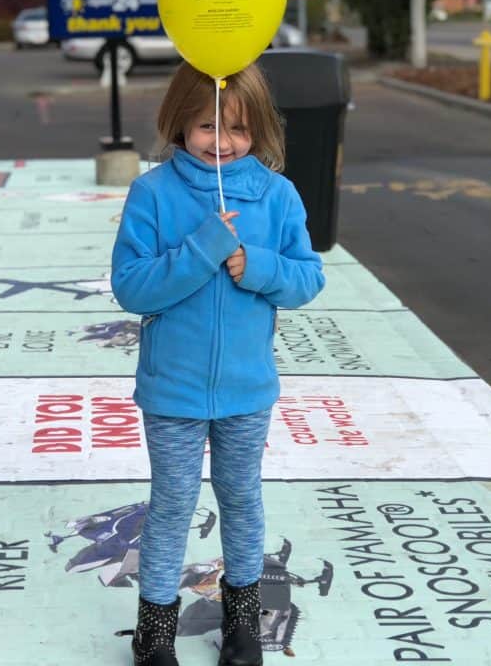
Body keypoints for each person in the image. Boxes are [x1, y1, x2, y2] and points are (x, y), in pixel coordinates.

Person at [111, 61, 326, 665]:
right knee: (173, 504)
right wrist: (202, 249)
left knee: (241, 500)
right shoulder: (152, 193)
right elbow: (132, 286)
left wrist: (255, 265)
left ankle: (241, 622)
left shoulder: (277, 195)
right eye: (207, 127)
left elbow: (307, 277)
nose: (223, 143)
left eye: (238, 129)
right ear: (179, 125)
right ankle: (155, 630)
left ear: (259, 129)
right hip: (172, 389)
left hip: (245, 388)